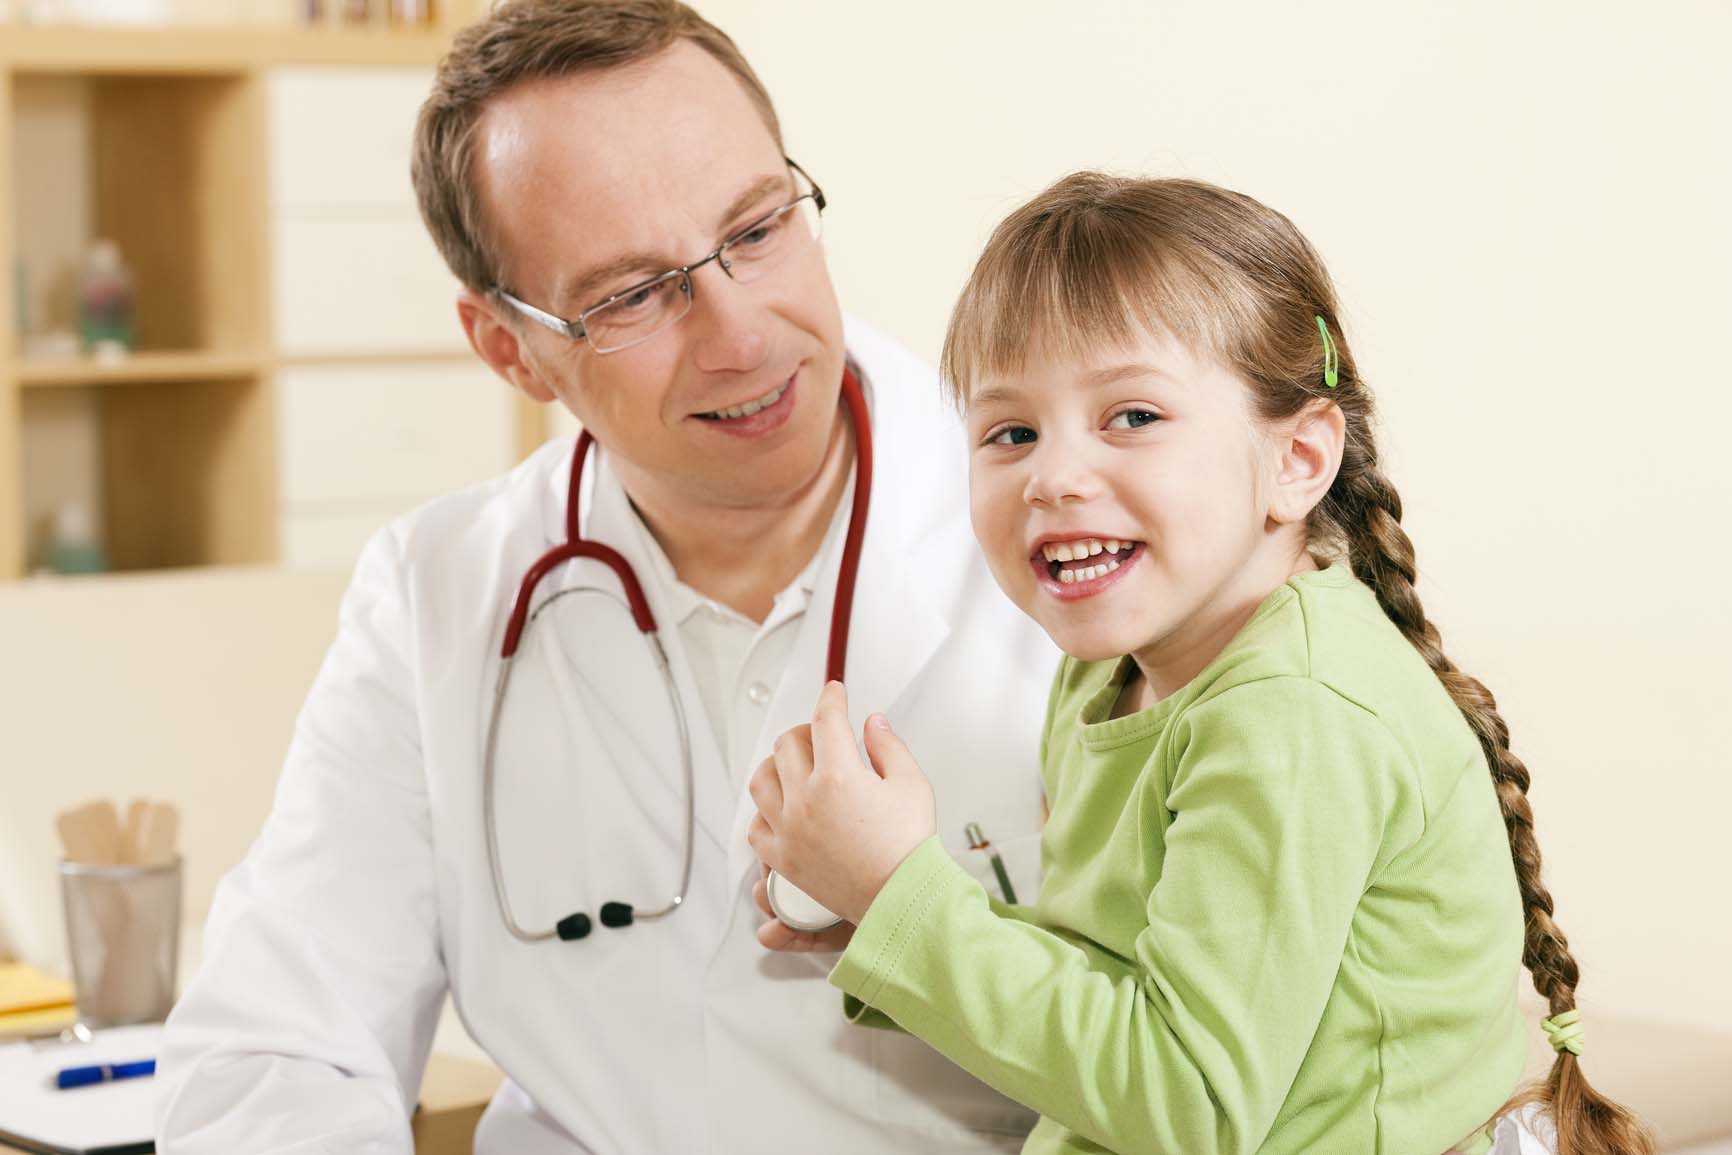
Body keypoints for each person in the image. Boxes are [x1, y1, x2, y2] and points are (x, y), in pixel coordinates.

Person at [153, 2, 1058, 1151]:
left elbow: (1226, 1054)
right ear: (507, 348)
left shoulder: (1078, 537)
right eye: (633, 294)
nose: (740, 334)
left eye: (758, 228)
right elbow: (271, 1049)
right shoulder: (437, 594)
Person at [748, 174, 1655, 1155]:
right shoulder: (1113, 676)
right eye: (1010, 432)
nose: (1053, 476)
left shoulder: (1291, 716)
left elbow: (1188, 1103)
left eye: (1131, 416)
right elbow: (1126, 977)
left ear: (1297, 462)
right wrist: (888, 917)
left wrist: (904, 904)